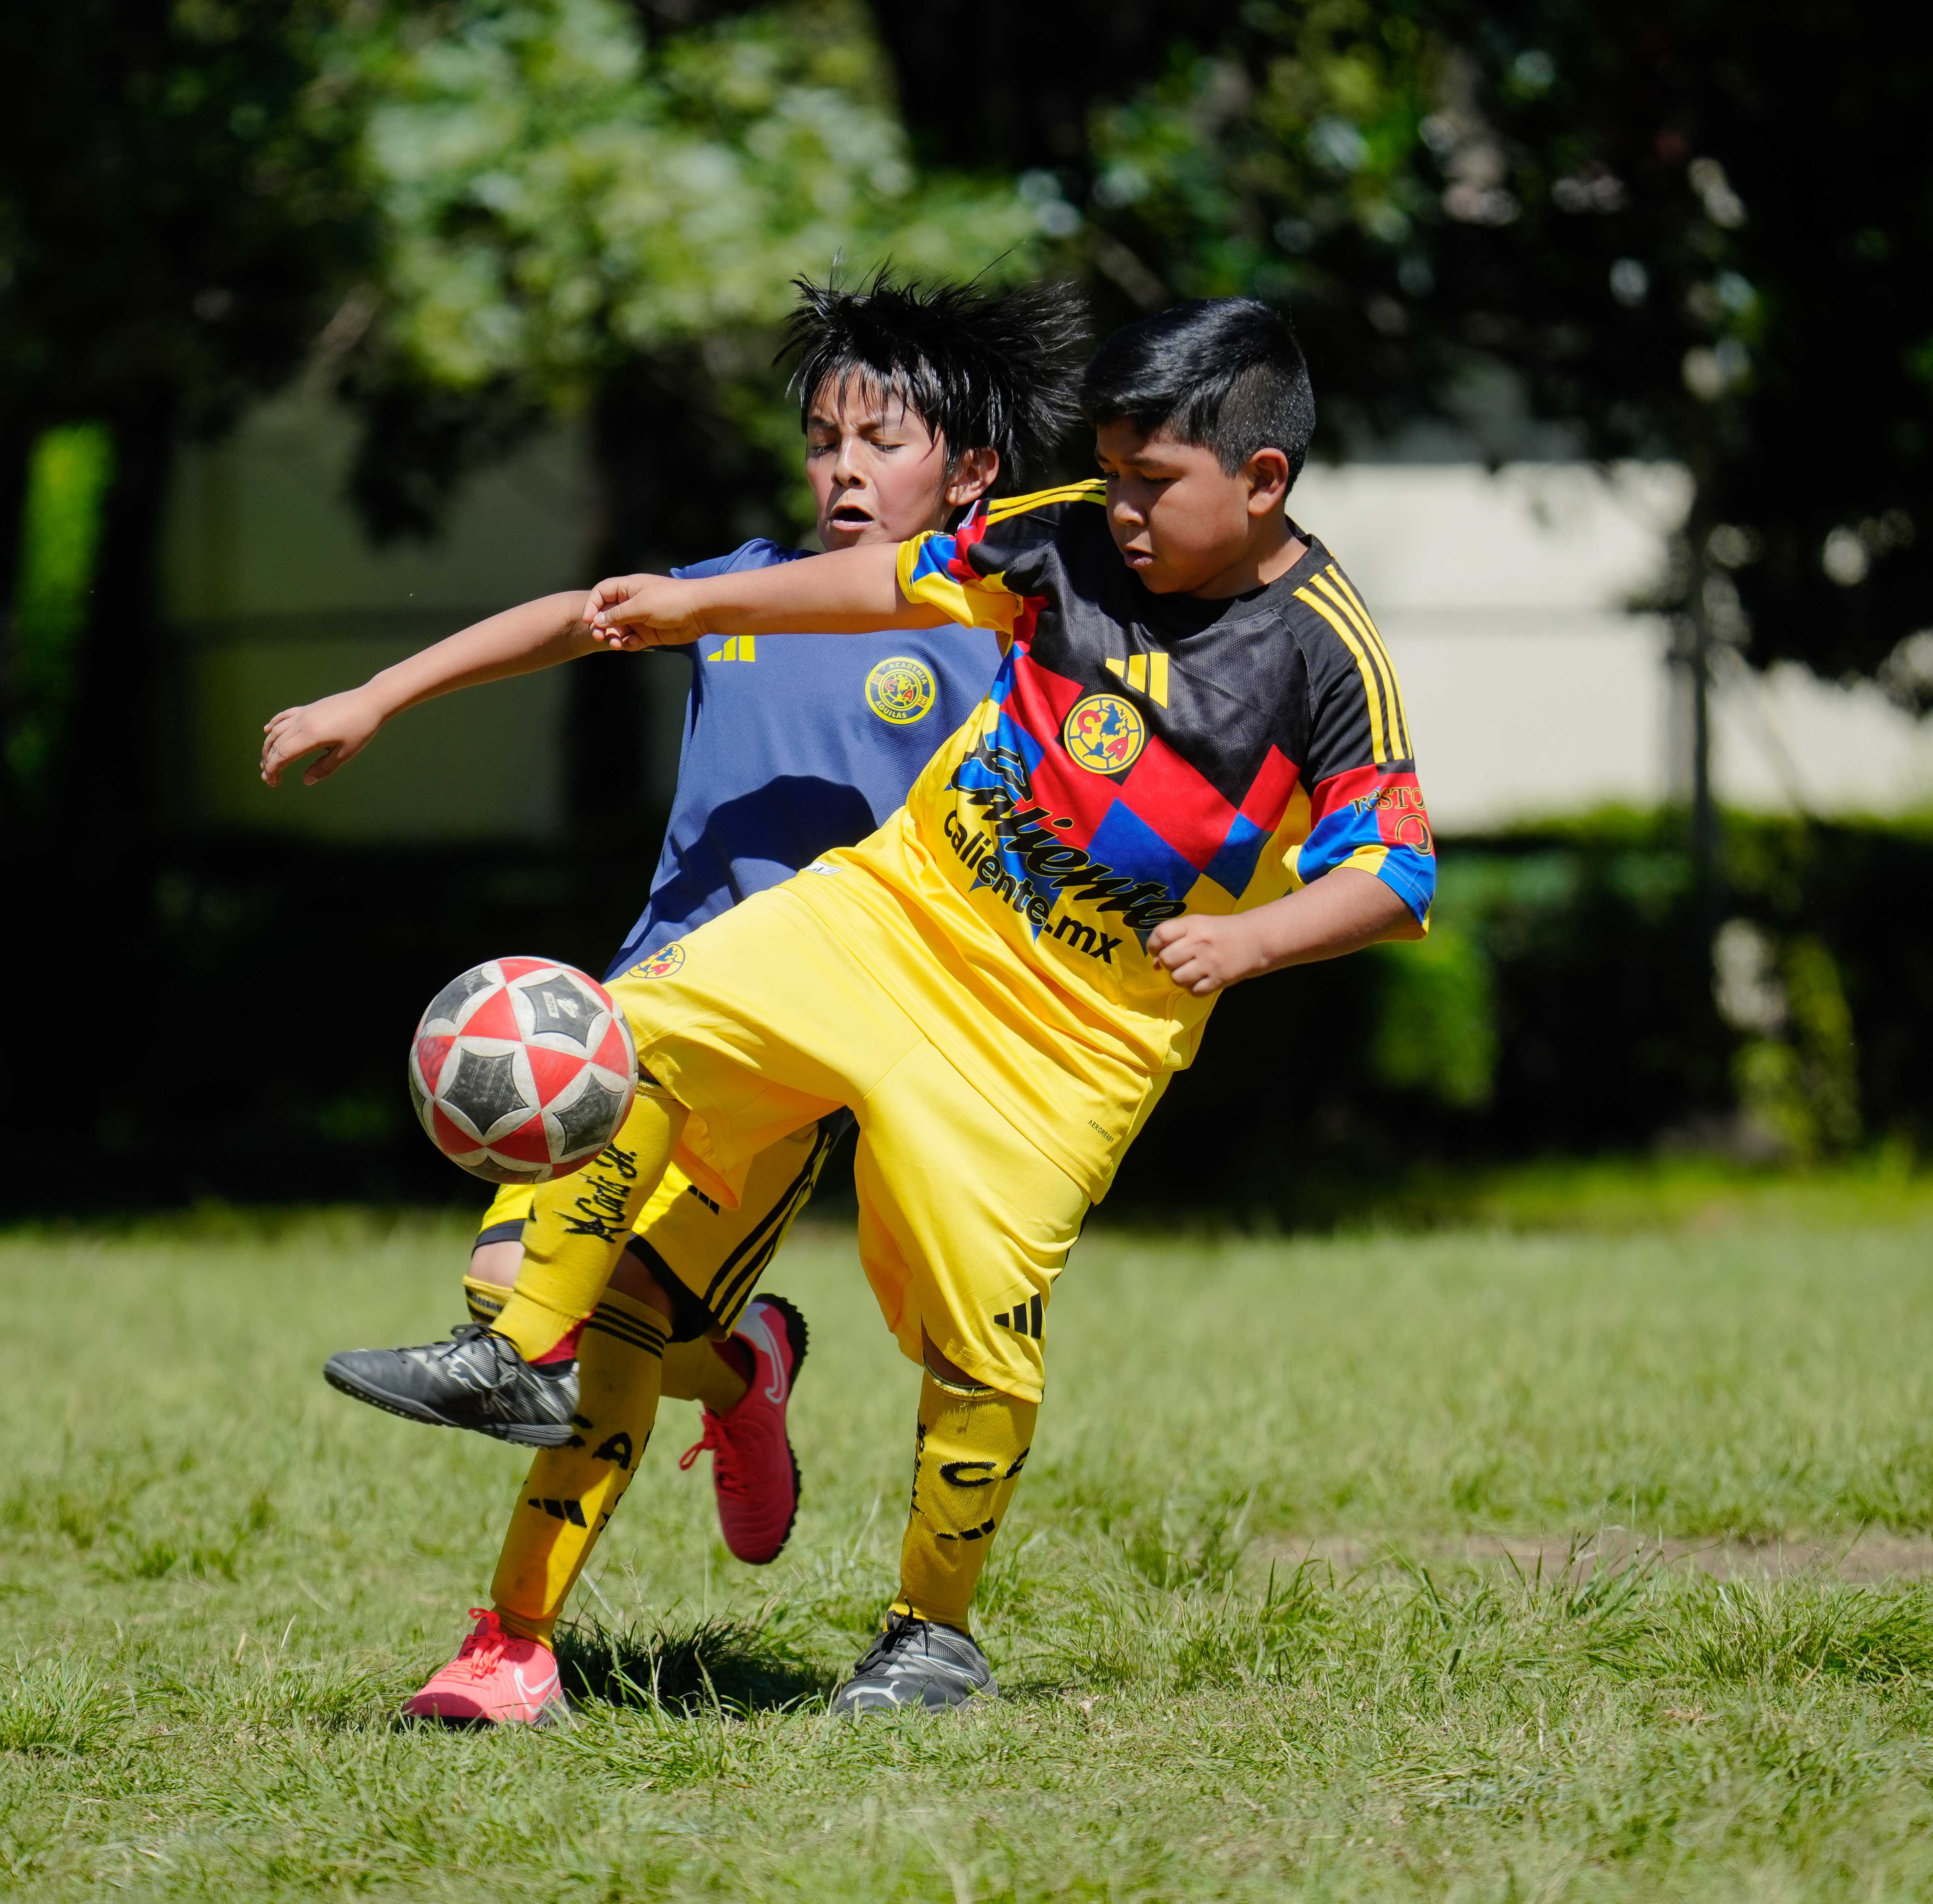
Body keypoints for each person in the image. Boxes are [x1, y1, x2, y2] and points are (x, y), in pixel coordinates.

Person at [382, 295, 1439, 1716]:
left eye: (1153, 484)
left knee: (978, 1332)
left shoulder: (1323, 653)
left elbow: (1394, 868)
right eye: (1111, 473)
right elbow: (890, 583)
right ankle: (516, 1352)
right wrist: (696, 604)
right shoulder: (1064, 533)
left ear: (1263, 482)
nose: (1117, 509)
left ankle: (930, 1635)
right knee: (638, 1037)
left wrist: (1250, 948)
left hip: (1062, 1044)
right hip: (894, 917)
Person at [258, 273, 1089, 1725]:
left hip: (803, 1059)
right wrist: (374, 697)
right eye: (826, 438)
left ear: (971, 475)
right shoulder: (733, 593)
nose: (842, 468)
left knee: (615, 1313)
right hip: (641, 1024)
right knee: (521, 1297)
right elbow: (572, 618)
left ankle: (511, 1647)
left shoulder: (997, 635)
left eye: (881, 443)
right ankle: (746, 1361)